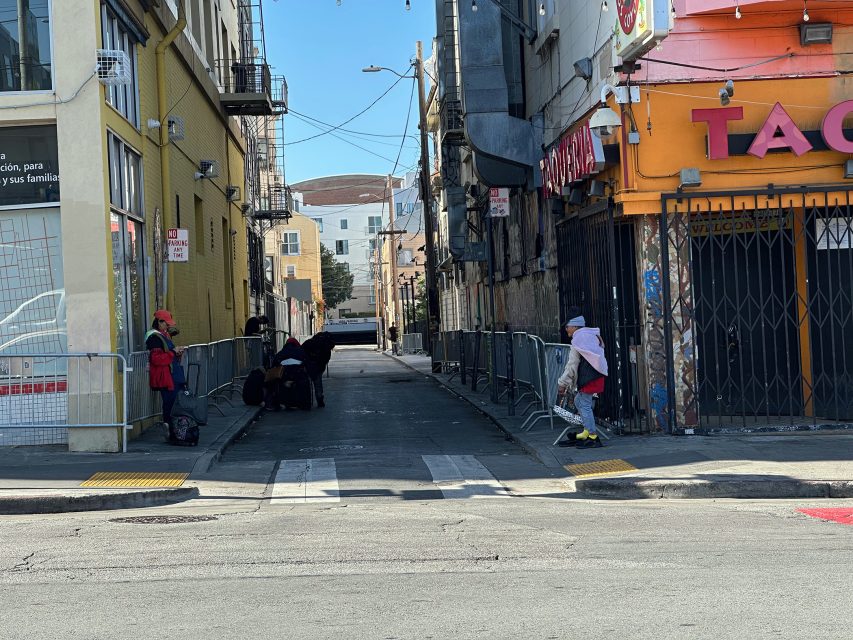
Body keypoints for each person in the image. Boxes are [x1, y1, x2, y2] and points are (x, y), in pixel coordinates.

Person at [556, 314, 608, 448]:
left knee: (584, 404)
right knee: (579, 401)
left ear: (574, 326)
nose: (566, 330)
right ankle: (586, 432)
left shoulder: (578, 340)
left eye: (567, 327)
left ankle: (592, 436)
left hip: (588, 377)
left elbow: (572, 365)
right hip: (597, 374)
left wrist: (562, 383)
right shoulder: (591, 335)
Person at [145, 309, 185, 430]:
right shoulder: (154, 338)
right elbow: (157, 359)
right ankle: (171, 429)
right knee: (169, 404)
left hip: (171, 375)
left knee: (173, 403)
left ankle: (174, 429)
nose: (168, 327)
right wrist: (173, 352)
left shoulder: (163, 335)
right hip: (165, 377)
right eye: (166, 324)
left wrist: (177, 353)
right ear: (159, 322)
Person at [269, 337, 312, 410]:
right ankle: (304, 404)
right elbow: (308, 364)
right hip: (299, 376)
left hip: (284, 377)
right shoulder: (301, 352)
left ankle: (282, 402)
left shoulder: (281, 353)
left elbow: (274, 366)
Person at [302, 331, 336, 408]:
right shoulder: (327, 346)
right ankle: (320, 400)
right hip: (318, 366)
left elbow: (301, 351)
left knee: (306, 383)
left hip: (308, 364)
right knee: (318, 384)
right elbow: (325, 359)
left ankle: (306, 401)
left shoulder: (310, 342)